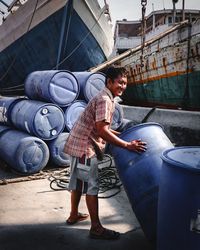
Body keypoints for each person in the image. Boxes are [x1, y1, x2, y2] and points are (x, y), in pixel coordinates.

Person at [63, 66, 147, 240]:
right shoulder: (105, 100)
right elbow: (102, 131)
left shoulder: (105, 97)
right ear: (109, 82)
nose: (123, 86)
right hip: (85, 147)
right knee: (92, 186)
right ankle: (96, 228)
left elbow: (103, 128)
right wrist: (127, 145)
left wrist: (124, 136)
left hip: (78, 143)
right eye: (120, 83)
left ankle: (73, 215)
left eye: (125, 83)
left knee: (79, 181)